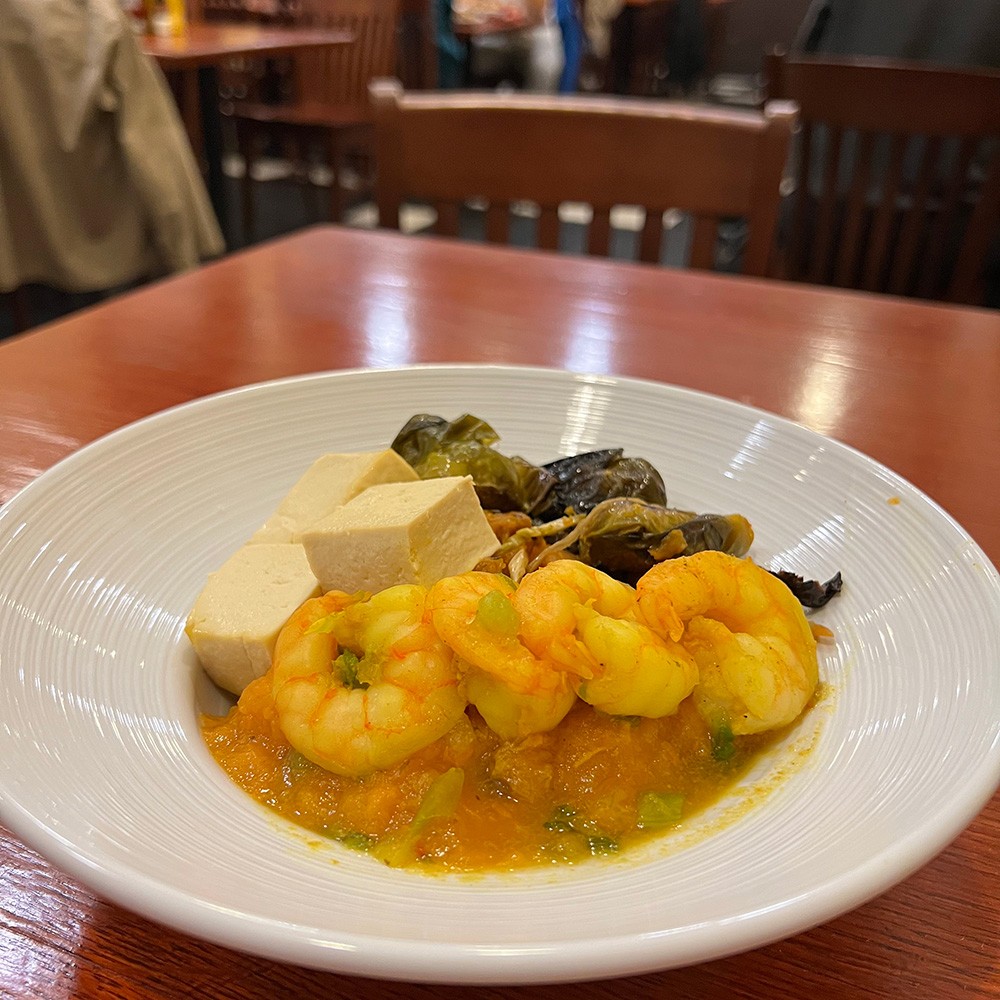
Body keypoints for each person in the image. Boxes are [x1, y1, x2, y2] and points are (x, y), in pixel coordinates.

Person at [0, 0, 224, 310]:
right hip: (90, 231)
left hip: (14, 239)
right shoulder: (89, 16)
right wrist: (182, 257)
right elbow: (153, 148)